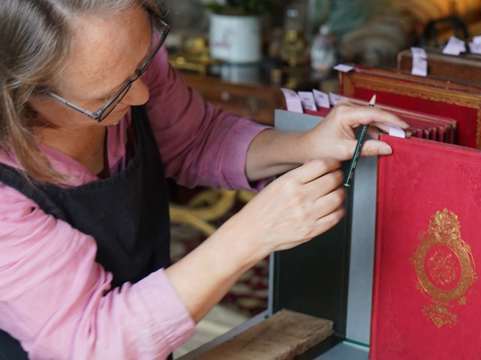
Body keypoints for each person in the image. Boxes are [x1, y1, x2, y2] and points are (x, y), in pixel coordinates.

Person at [0, 0, 407, 358]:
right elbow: (90, 344)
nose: (142, 94)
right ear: (20, 97)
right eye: (108, 96)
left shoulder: (122, 64)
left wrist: (305, 145)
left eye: (142, 64)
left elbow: (197, 139)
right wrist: (248, 237)